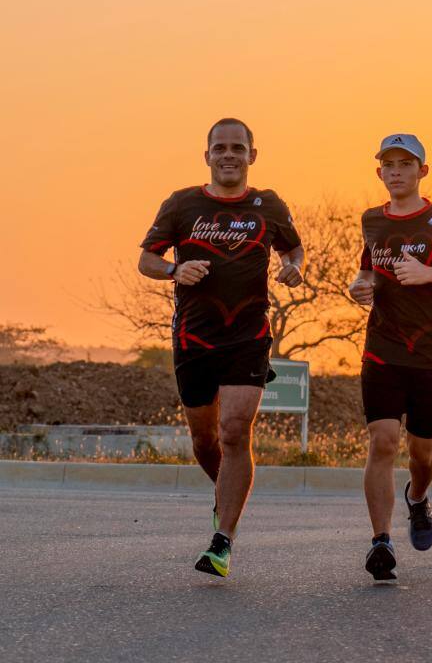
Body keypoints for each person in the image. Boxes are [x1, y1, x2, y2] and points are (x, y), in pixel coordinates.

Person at [138, 118, 304, 578]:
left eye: (238, 147)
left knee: (234, 432)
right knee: (205, 438)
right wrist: (174, 271)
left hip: (248, 335)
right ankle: (226, 497)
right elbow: (146, 259)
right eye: (220, 148)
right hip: (193, 336)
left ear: (253, 155)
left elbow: (293, 250)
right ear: (207, 155)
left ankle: (223, 540)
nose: (228, 155)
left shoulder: (268, 205)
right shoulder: (182, 203)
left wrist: (292, 268)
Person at [348, 133, 432, 581]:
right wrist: (359, 287)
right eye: (388, 164)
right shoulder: (371, 220)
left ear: (422, 171)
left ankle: (418, 499)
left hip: (431, 354)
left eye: (405, 163)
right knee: (383, 441)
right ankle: (381, 541)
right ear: (379, 172)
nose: (396, 171)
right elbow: (367, 269)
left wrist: (430, 274)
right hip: (382, 348)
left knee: (422, 452)